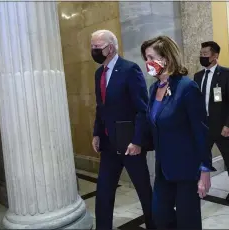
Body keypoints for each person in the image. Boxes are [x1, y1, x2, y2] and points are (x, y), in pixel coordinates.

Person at [141, 36, 215, 229]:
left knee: (187, 221)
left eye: (150, 57)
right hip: (163, 167)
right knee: (160, 216)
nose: (147, 63)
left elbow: (200, 131)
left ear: (165, 58)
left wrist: (205, 169)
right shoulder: (153, 89)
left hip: (186, 167)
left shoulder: (186, 88)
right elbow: (153, 124)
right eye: (145, 58)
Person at [90, 30, 154, 229]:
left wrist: (137, 141)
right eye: (92, 47)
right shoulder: (99, 73)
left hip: (130, 144)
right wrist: (97, 133)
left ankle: (155, 225)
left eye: (97, 47)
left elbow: (142, 109)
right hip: (109, 145)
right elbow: (101, 107)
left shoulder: (129, 69)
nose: (93, 51)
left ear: (110, 48)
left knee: (144, 192)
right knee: (103, 193)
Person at [194, 41, 229, 202]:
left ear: (215, 56)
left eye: (205, 54)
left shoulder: (227, 74)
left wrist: (228, 125)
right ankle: (201, 186)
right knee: (201, 158)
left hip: (222, 126)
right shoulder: (198, 76)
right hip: (203, 126)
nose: (202, 57)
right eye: (201, 54)